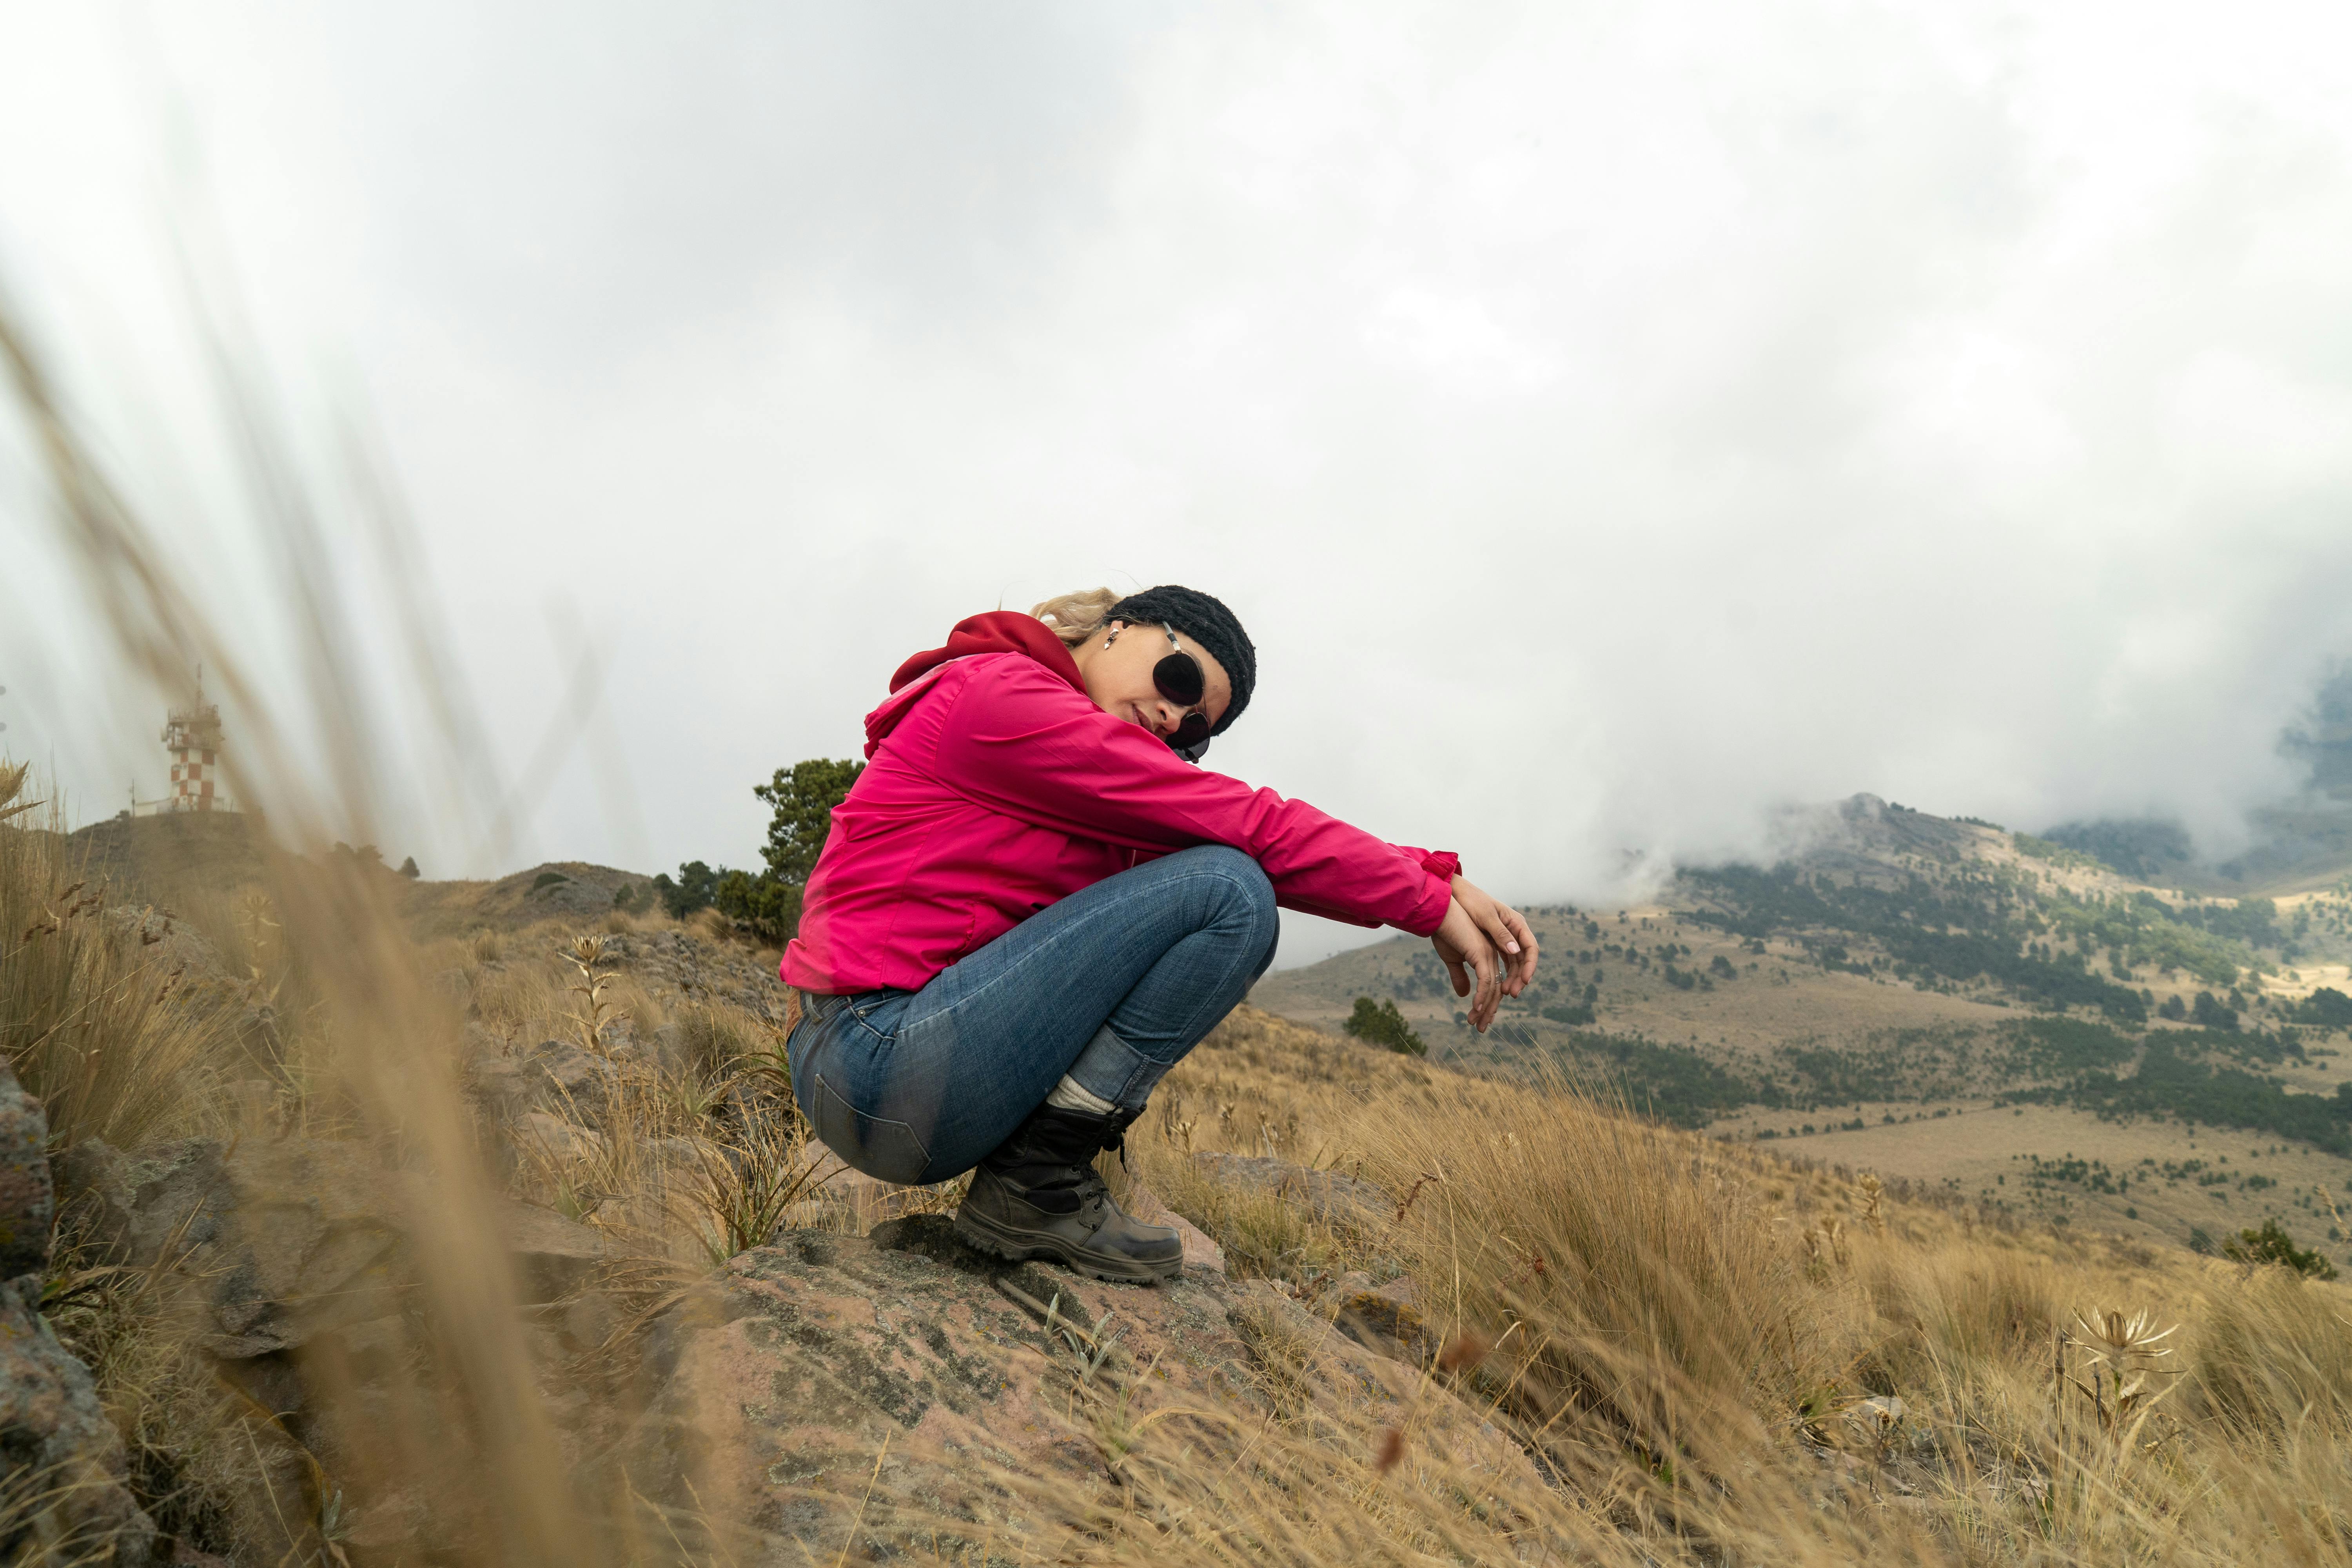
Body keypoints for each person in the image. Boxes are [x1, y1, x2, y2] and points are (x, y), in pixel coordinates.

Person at [781, 585, 1538, 1284]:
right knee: (1228, 893)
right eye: (1180, 681)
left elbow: (1256, 841)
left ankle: (1034, 1185)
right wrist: (1426, 902)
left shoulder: (1086, 781)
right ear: (1119, 630)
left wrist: (1433, 878)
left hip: (905, 1068)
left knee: (1229, 881)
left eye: (1199, 728)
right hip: (874, 1059)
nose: (1178, 721)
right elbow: (1249, 826)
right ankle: (1035, 1187)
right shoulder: (1001, 696)